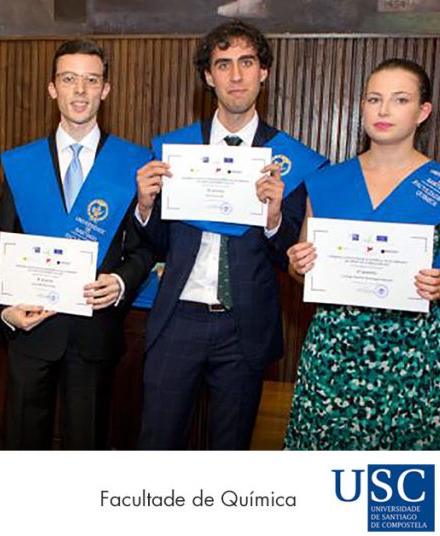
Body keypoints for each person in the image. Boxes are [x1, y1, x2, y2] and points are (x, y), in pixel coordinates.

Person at [134, 20, 328, 450]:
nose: (236, 75)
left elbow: (292, 259)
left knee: (230, 451)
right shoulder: (174, 151)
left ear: (264, 72)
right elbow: (156, 244)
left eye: (247, 62)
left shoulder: (291, 161)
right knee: (157, 447)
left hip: (244, 325)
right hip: (177, 320)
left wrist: (275, 218)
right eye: (223, 65)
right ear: (209, 77)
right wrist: (145, 207)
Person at [285, 59, 440, 450]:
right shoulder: (327, 183)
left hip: (409, 359)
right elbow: (302, 271)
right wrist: (298, 265)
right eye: (374, 99)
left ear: (422, 112)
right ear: (361, 106)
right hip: (333, 354)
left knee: (394, 493)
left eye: (399, 100)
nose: (383, 110)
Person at [0, 39, 154, 449]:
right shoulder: (20, 164)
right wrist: (6, 309)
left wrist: (120, 282)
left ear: (106, 89)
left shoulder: (133, 164)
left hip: (95, 331)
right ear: (53, 89)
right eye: (69, 79)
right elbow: (4, 250)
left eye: (91, 80)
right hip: (31, 329)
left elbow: (145, 248)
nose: (80, 91)